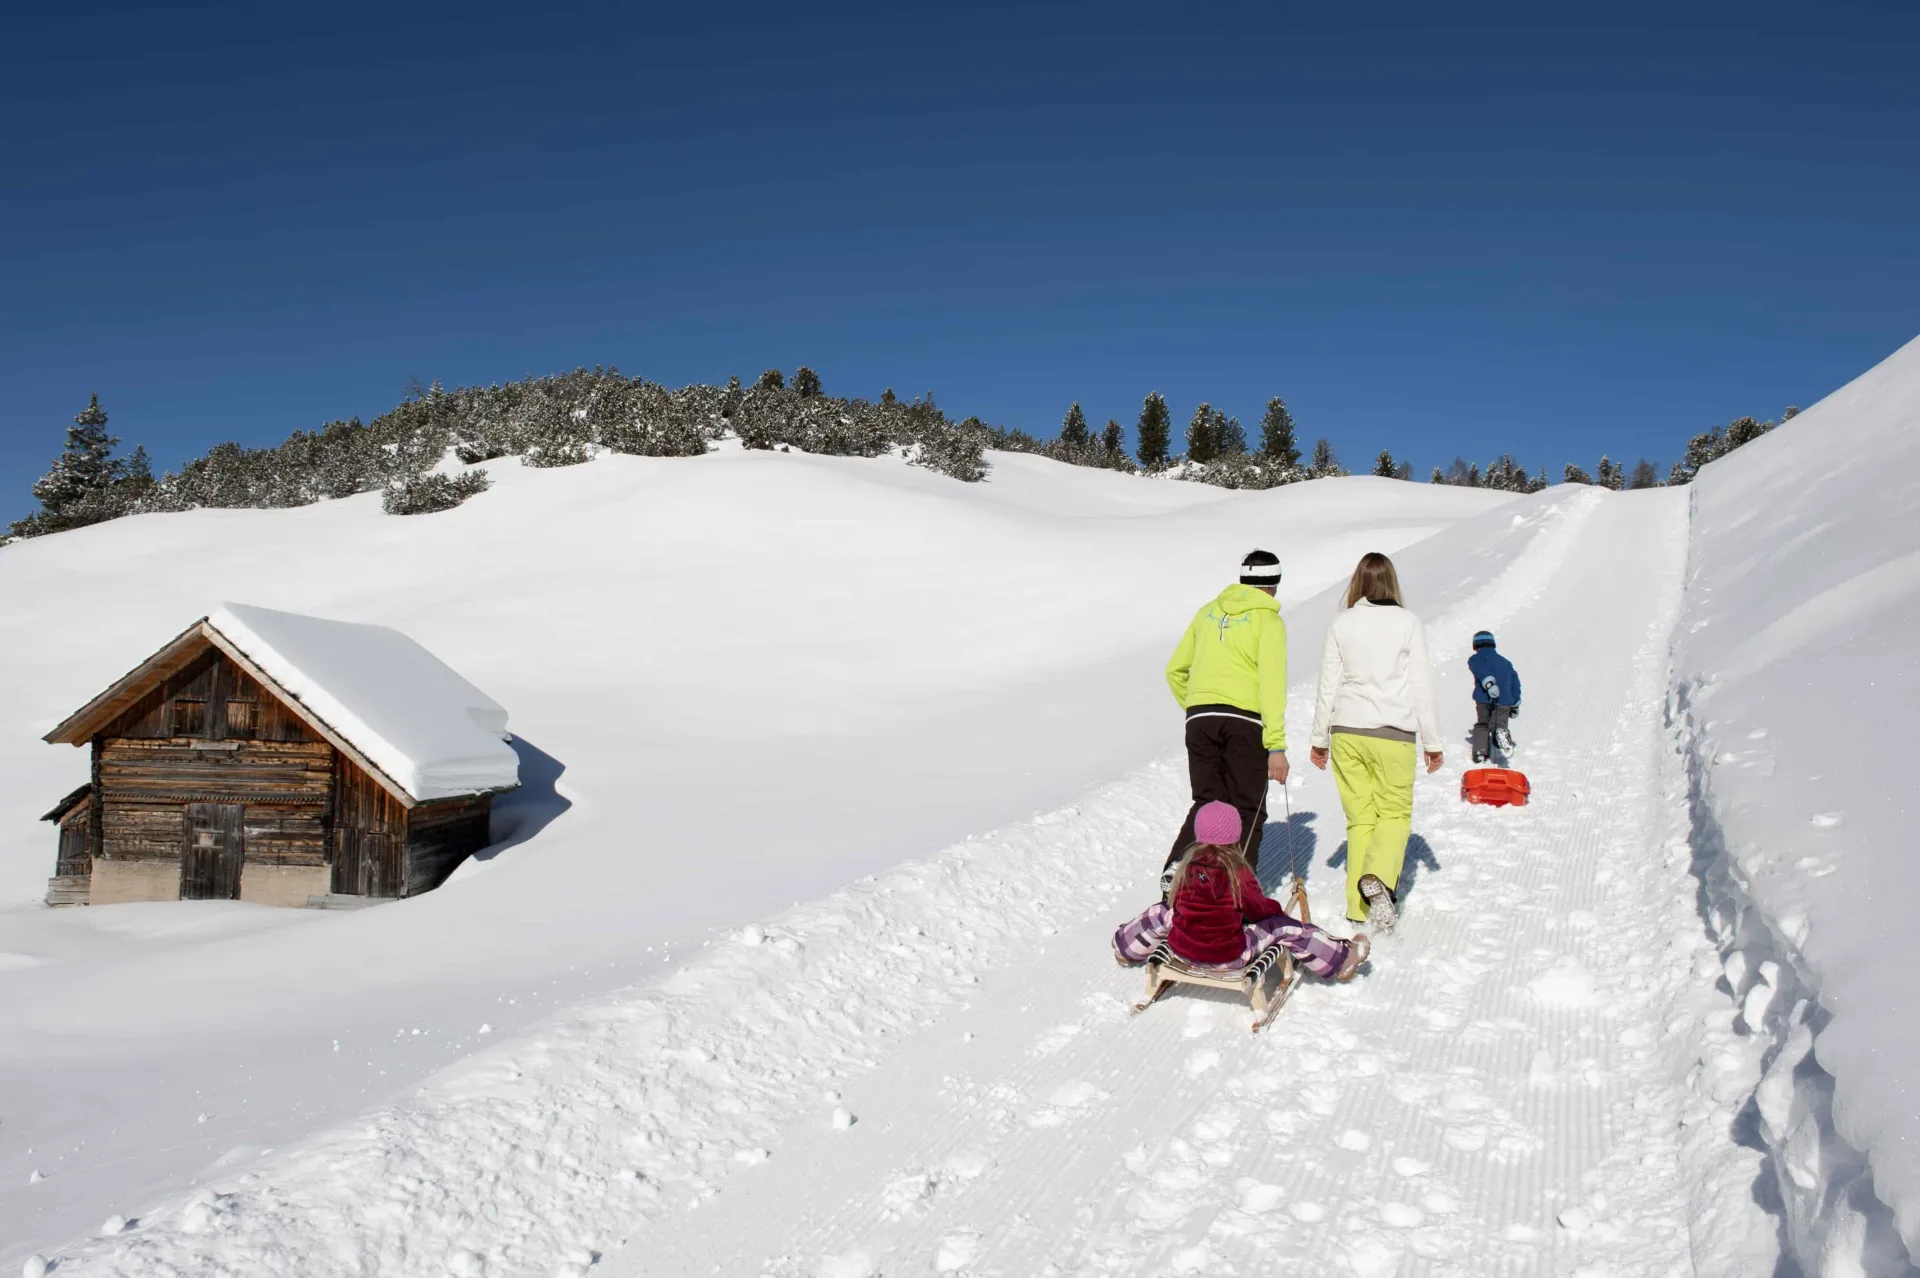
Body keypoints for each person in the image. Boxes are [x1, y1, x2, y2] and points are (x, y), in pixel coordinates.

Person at [1309, 552, 1443, 932]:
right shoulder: (1408, 623)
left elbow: (1327, 685)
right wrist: (1432, 742)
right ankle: (1380, 879)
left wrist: (1319, 738)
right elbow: (1421, 685)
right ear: (1391, 582)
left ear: (1358, 583)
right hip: (1393, 733)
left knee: (1360, 819)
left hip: (1347, 732)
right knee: (1394, 813)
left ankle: (1357, 907)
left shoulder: (1342, 623)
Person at [1115, 801, 1367, 980]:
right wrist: (1275, 912)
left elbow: (1176, 905)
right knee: (1287, 927)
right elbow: (1257, 910)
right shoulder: (1237, 872)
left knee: (1161, 912)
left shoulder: (1185, 867)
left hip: (1182, 949)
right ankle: (1342, 958)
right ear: (1234, 835)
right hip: (1228, 956)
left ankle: (1126, 948)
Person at [1163, 550, 1289, 873]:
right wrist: (1275, 746)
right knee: (1247, 809)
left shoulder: (1206, 613)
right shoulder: (1269, 621)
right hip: (1244, 723)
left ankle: (1179, 869)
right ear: (1274, 583)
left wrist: (1197, 706)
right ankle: (1238, 891)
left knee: (1208, 804)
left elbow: (1174, 670)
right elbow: (1271, 686)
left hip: (1200, 720)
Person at [1468, 630, 1522, 763]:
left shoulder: (1476, 659)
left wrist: (1489, 684)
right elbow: (1515, 682)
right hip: (1504, 700)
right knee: (1500, 722)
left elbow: (1480, 670)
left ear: (1476, 645)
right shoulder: (1506, 662)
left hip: (1484, 698)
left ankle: (1481, 752)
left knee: (1483, 724)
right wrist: (1515, 702)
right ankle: (1500, 735)